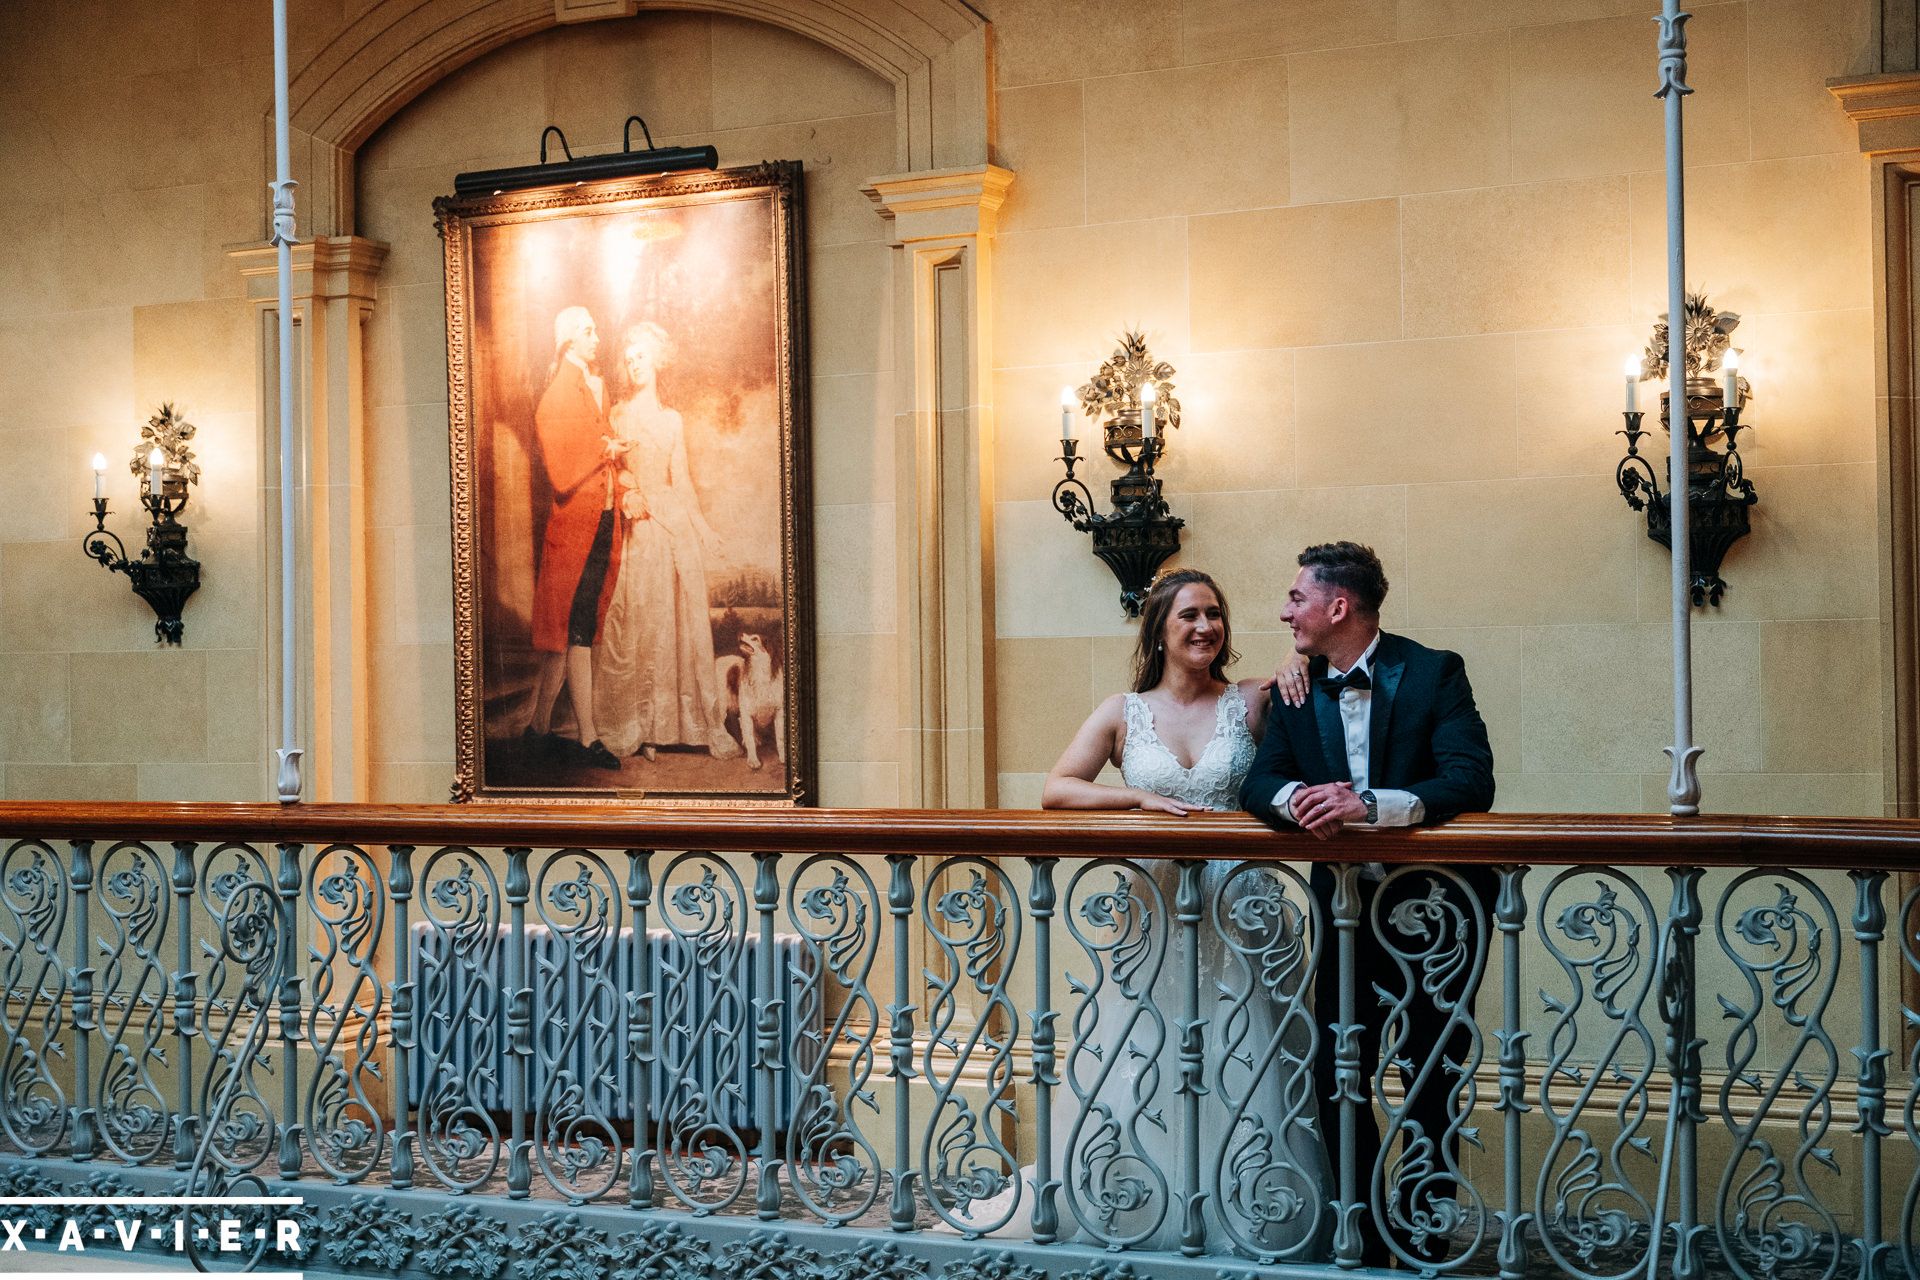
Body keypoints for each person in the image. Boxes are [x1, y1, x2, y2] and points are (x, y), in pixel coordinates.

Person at [1022, 568, 1328, 1258]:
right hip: (1153, 913)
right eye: (1189, 615)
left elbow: (1319, 669)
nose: (1205, 627)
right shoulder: (1122, 713)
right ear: (1159, 629)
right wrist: (1137, 801)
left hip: (1240, 911)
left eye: (1214, 614)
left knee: (1247, 1052)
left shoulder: (1251, 702)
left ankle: (1256, 1211)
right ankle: (1133, 1204)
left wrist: (1294, 657)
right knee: (1143, 1048)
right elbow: (1057, 789)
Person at [1239, 540, 1495, 1269]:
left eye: (1296, 598)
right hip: (1345, 915)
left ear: (1337, 606)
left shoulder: (1434, 672)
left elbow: (1471, 780)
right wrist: (1301, 802)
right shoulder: (1296, 687)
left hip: (1438, 915)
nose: (1284, 610)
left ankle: (1420, 1241)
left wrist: (1371, 804)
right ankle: (1364, 1226)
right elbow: (1261, 784)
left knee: (1430, 1075)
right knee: (1334, 1074)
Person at [593, 322, 740, 761]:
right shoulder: (618, 413)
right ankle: (643, 727)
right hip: (641, 528)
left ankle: (677, 726)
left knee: (677, 624)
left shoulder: (673, 419)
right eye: (630, 358)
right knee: (643, 622)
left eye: (642, 356)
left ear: (658, 359)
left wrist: (704, 529)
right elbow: (613, 469)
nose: (635, 364)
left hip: (673, 526)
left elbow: (684, 483)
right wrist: (629, 491)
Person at [526, 306, 621, 770]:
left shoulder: (588, 388)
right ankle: (558, 733)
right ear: (568, 341)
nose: (596, 337)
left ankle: (568, 734)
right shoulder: (558, 395)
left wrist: (612, 451)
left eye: (595, 328)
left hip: (599, 522)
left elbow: (600, 445)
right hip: (573, 530)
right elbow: (562, 471)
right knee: (567, 634)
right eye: (588, 330)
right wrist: (604, 448)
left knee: (579, 631)